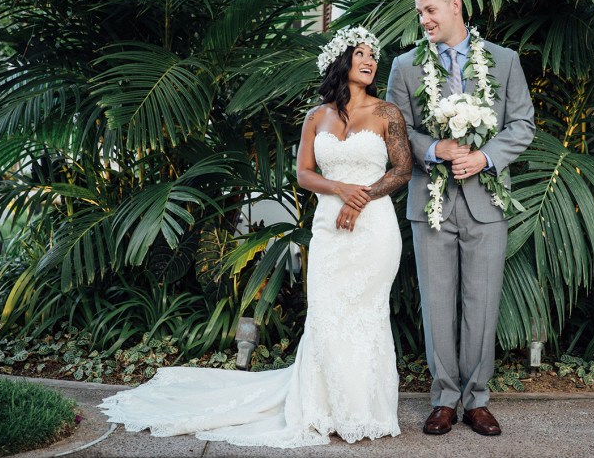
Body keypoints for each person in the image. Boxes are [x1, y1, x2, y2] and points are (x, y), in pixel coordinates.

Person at [99, 26, 412, 448]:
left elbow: (402, 169)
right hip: (328, 228)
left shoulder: (388, 113)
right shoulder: (315, 117)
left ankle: (363, 411)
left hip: (374, 229)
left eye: (373, 54)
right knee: (326, 313)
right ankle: (321, 407)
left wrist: (361, 198)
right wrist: (339, 189)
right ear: (342, 61)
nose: (370, 60)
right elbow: (304, 174)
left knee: (365, 313)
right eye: (361, 53)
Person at [386, 0, 535, 436]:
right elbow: (397, 129)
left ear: (455, 6)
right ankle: (444, 399)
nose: (424, 19)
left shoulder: (504, 61)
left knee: (482, 303)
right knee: (436, 304)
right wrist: (436, 150)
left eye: (430, 10)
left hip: (486, 202)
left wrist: (484, 157)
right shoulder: (404, 66)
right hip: (429, 203)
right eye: (420, 12)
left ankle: (477, 401)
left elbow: (522, 124)